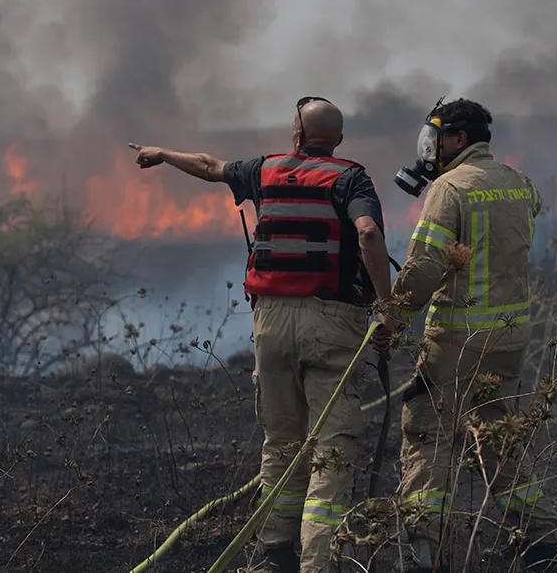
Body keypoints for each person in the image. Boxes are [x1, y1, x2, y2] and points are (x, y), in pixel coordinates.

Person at [128, 96, 393, 573]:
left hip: (269, 325)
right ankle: (320, 562)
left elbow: (210, 166)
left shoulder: (265, 171)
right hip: (331, 322)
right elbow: (369, 234)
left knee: (281, 444)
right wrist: (387, 308)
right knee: (331, 447)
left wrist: (163, 152)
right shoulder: (350, 177)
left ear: (296, 134)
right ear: (337, 140)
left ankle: (272, 555)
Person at [380, 97, 557, 572]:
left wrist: (392, 319)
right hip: (508, 339)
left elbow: (425, 265)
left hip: (456, 340)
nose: (430, 148)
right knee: (497, 436)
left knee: (428, 436)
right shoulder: (518, 183)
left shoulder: (449, 189)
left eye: (436, 138)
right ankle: (542, 542)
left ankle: (428, 554)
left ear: (459, 139)